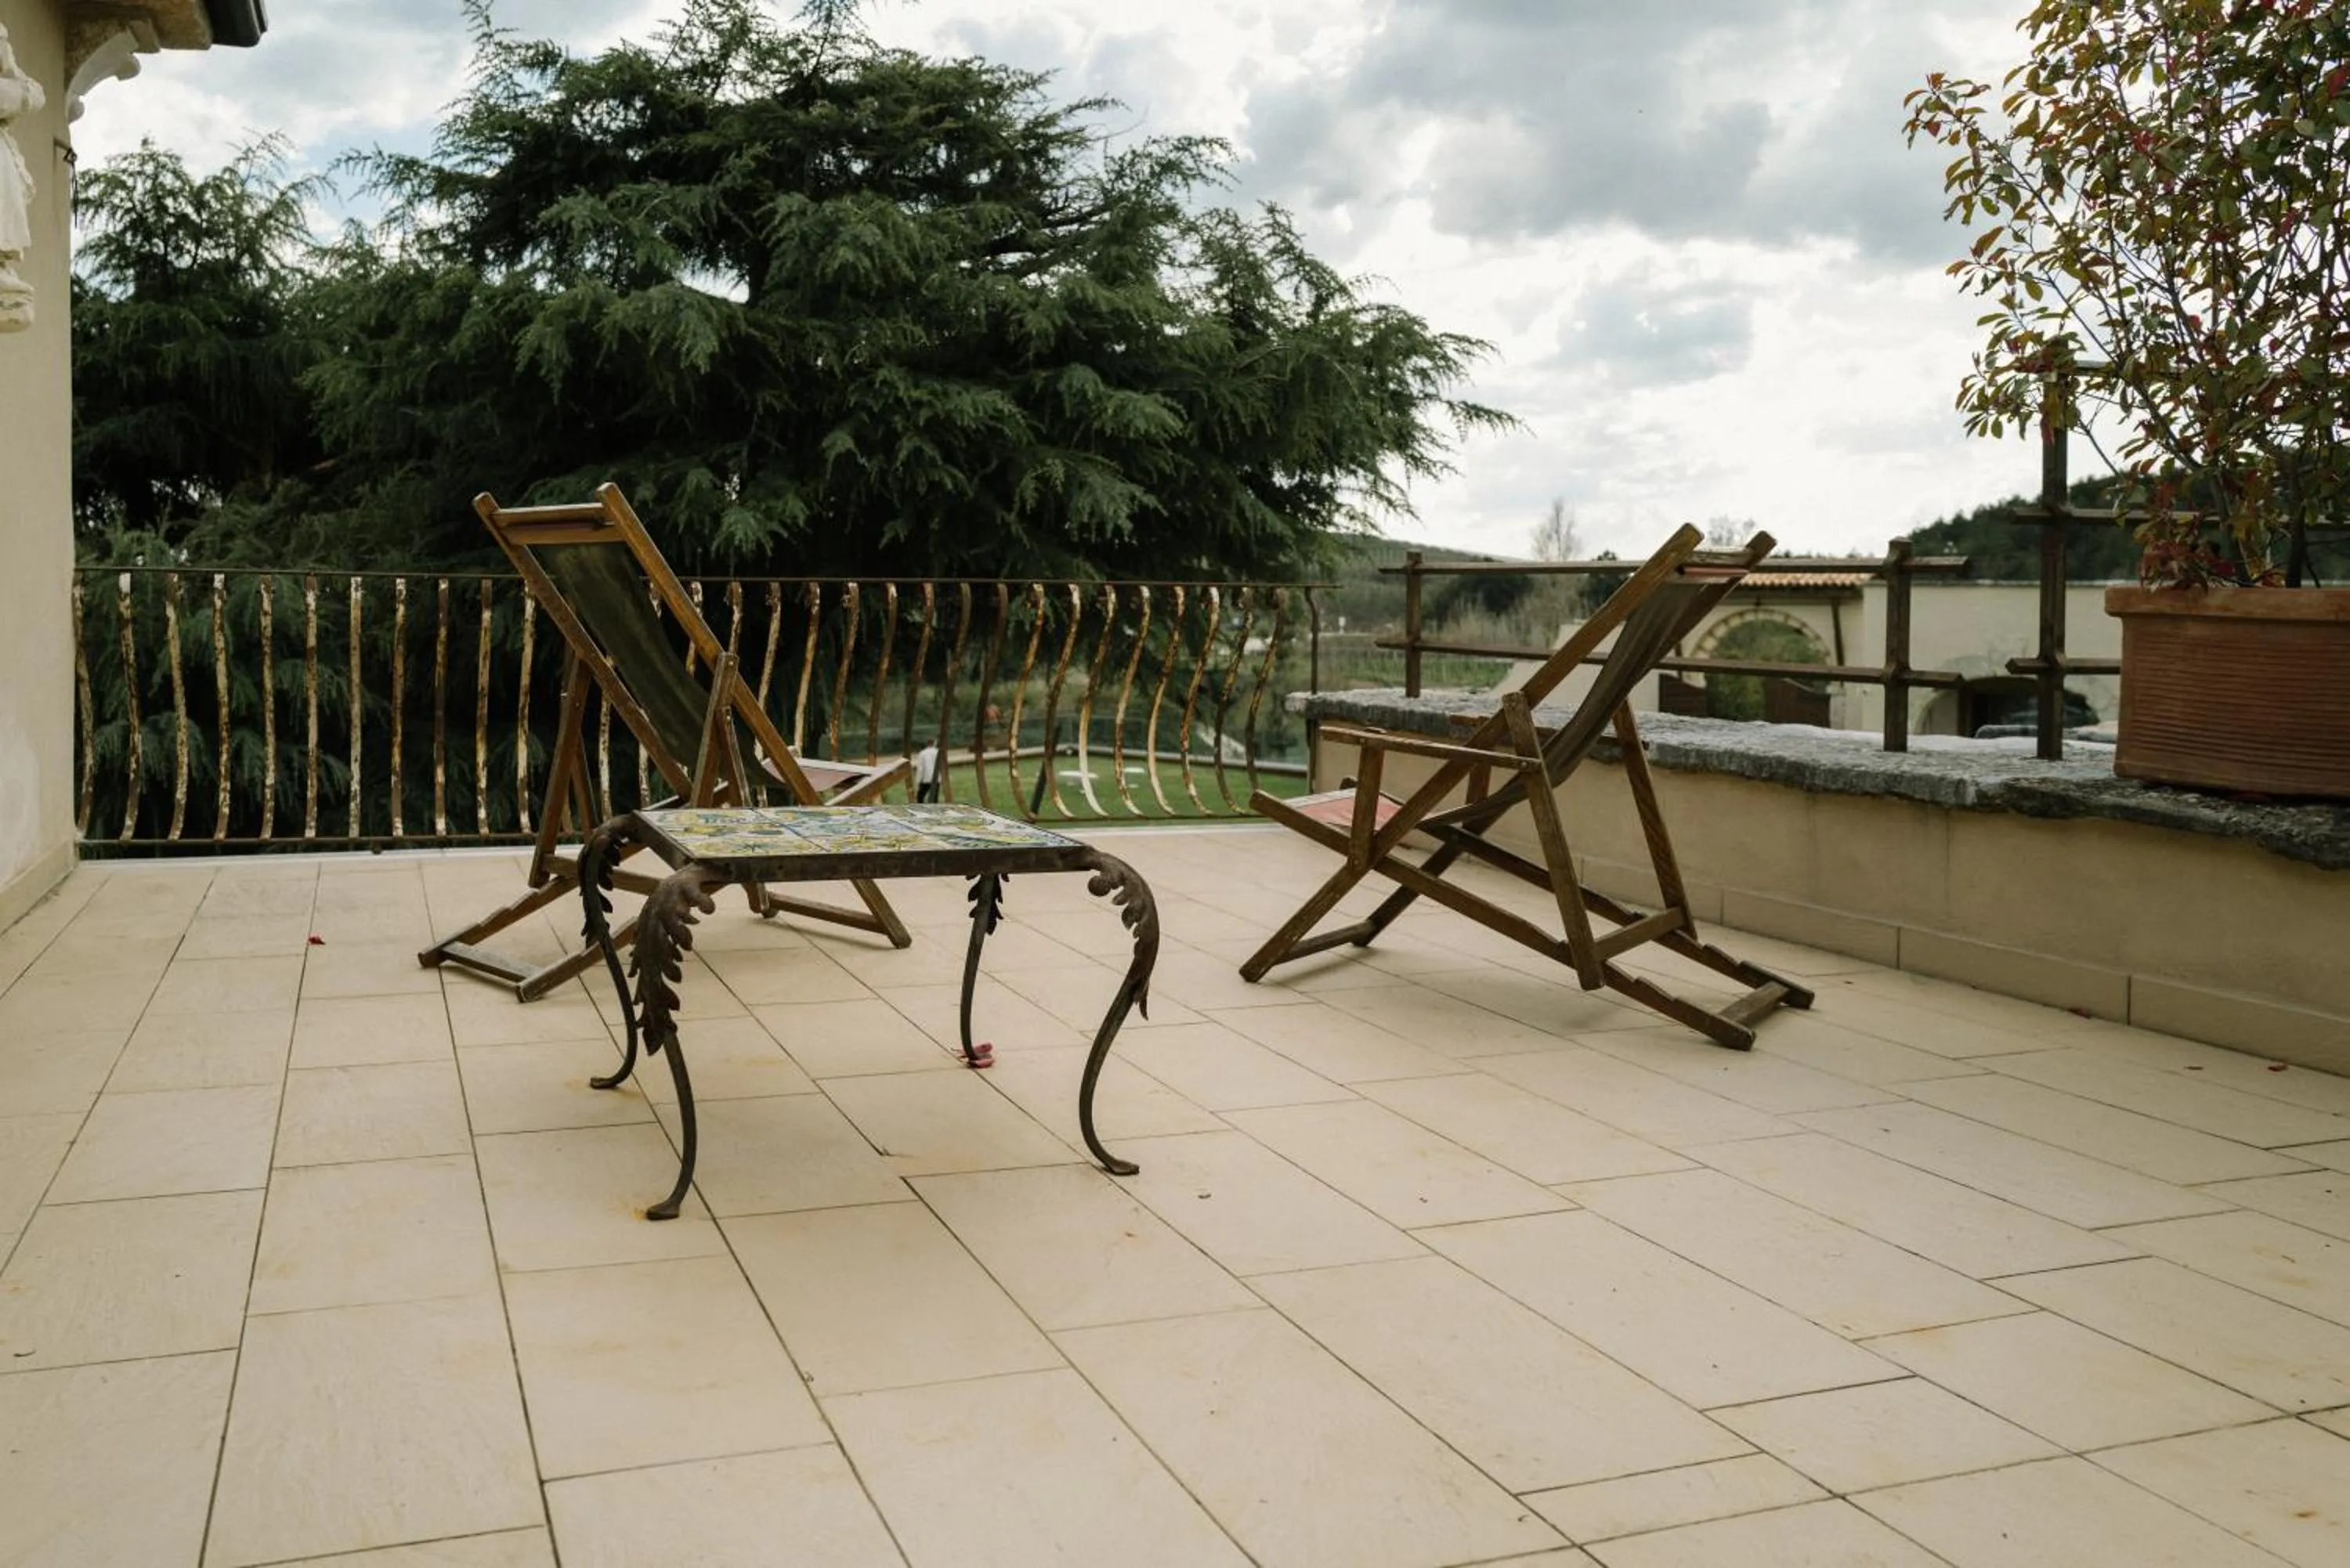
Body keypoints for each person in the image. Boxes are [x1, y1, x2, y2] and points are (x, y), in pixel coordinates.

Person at [913, 739, 941, 803]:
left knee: (920, 796)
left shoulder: (922, 753)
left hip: (926, 779)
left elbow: (920, 768)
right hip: (936, 778)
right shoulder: (937, 752)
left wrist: (918, 780)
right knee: (935, 798)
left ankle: (921, 808)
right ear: (934, 743)